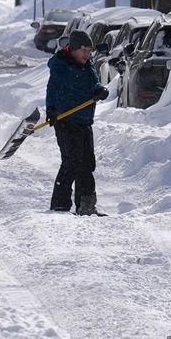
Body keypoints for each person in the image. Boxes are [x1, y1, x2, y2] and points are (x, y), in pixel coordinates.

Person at [45, 30, 110, 216]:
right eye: (83, 50)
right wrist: (51, 108)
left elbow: (94, 84)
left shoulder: (88, 67)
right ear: (73, 49)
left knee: (87, 164)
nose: (87, 54)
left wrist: (100, 90)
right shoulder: (62, 65)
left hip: (84, 121)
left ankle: (87, 206)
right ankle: (60, 205)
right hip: (65, 120)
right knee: (71, 162)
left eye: (89, 51)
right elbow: (53, 87)